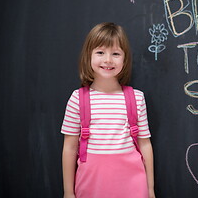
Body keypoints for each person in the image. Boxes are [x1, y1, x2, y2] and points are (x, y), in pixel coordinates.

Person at [61, 22, 155, 198]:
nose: (108, 60)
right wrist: (68, 192)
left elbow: (145, 144)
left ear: (125, 59)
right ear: (88, 56)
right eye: (100, 52)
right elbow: (69, 147)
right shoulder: (77, 99)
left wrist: (150, 189)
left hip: (133, 186)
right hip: (91, 185)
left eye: (116, 53)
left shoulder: (137, 98)